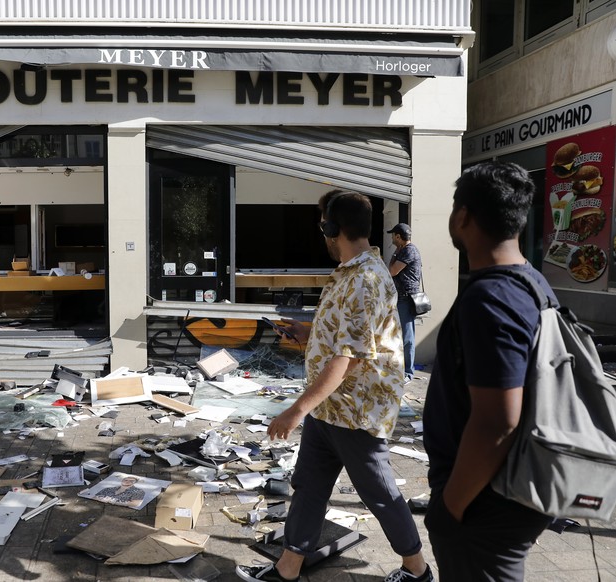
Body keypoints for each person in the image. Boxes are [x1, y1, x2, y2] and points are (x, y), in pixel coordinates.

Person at [236, 190, 433, 582]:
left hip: (356, 412)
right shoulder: (350, 271)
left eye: (322, 223)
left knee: (379, 494)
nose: (320, 231)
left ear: (331, 227)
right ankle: (287, 569)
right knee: (308, 486)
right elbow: (348, 335)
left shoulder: (365, 279)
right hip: (330, 409)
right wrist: (309, 332)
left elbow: (348, 358)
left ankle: (417, 569)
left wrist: (295, 410)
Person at [422, 161, 555, 581]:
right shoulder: (534, 283)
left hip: (486, 498)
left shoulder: (491, 298)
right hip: (516, 484)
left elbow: (498, 420)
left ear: (463, 217)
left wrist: (451, 506)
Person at [387, 223, 422, 383]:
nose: (392, 239)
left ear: (398, 237)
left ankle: (408, 373)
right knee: (400, 336)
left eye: (393, 236)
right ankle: (401, 369)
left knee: (407, 337)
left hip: (406, 299)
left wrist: (395, 252)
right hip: (401, 298)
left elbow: (392, 271)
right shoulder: (404, 250)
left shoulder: (409, 251)